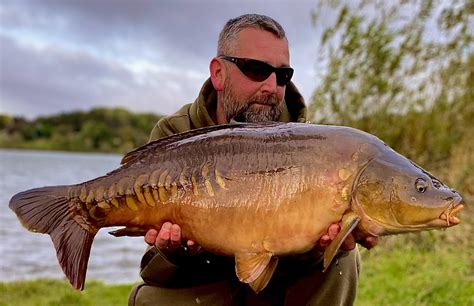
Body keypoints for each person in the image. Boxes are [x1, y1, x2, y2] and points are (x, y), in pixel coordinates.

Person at [128, 14, 377, 306]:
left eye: (283, 75)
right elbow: (155, 273)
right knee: (151, 300)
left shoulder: (313, 147)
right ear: (218, 73)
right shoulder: (176, 134)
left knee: (343, 259)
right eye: (256, 69)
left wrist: (319, 249)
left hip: (280, 278)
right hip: (205, 283)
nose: (272, 87)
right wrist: (177, 251)